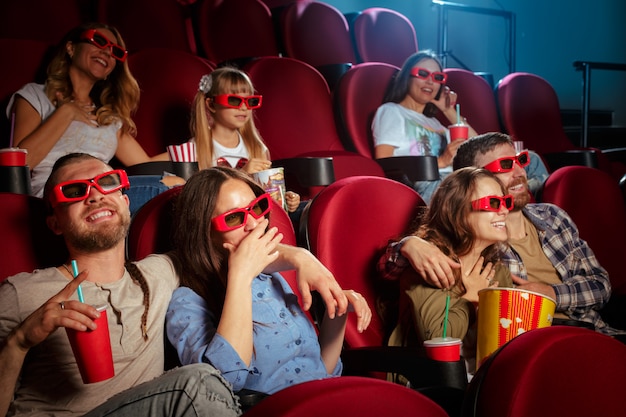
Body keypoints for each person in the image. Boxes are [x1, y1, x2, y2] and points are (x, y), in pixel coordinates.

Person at [0, 153, 350, 416]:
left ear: (125, 200)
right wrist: (19, 342)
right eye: (74, 191)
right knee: (197, 383)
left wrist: (302, 257)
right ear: (55, 223)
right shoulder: (19, 293)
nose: (95, 196)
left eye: (107, 183)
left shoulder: (162, 271)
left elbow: (228, 245)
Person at [379, 132, 622, 335]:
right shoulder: (476, 240)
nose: (520, 173)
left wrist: (550, 293)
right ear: (473, 179)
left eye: (520, 161)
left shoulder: (553, 217)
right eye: (506, 165)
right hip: (532, 341)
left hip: (594, 330)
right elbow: (399, 266)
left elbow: (601, 285)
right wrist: (408, 245)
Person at [165, 166, 372, 395]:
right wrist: (240, 277)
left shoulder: (269, 277)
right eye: (234, 217)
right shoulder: (187, 302)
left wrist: (339, 310)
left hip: (324, 401)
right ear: (204, 232)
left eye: (257, 207)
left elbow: (320, 371)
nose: (254, 224)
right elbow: (224, 384)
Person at [5, 22, 182, 213]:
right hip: (58, 193)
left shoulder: (107, 117)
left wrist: (195, 150)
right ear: (71, 48)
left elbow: (145, 164)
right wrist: (66, 113)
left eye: (115, 52)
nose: (107, 52)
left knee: (182, 186)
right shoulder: (35, 95)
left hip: (106, 191)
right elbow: (20, 164)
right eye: (98, 41)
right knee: (174, 191)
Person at [372, 50, 548, 202]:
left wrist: (448, 111)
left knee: (531, 159)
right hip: (429, 181)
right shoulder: (391, 111)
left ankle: (510, 195)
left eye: (437, 77)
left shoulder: (435, 123)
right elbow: (384, 163)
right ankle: (510, 193)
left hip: (458, 177)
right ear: (407, 76)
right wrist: (440, 161)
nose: (430, 82)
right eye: (423, 74)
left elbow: (483, 149)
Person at [387, 167, 513, 374]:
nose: (504, 211)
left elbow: (507, 339)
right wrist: (472, 299)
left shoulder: (496, 270)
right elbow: (439, 341)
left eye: (505, 202)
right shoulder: (429, 265)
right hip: (431, 380)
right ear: (458, 211)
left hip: (485, 376)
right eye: (492, 203)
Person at [189, 67, 301, 215]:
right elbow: (201, 201)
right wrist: (242, 174)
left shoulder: (257, 148)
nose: (243, 107)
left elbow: (266, 195)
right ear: (211, 104)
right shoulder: (195, 149)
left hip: (256, 216)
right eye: (234, 100)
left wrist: (285, 199)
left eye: (250, 101)